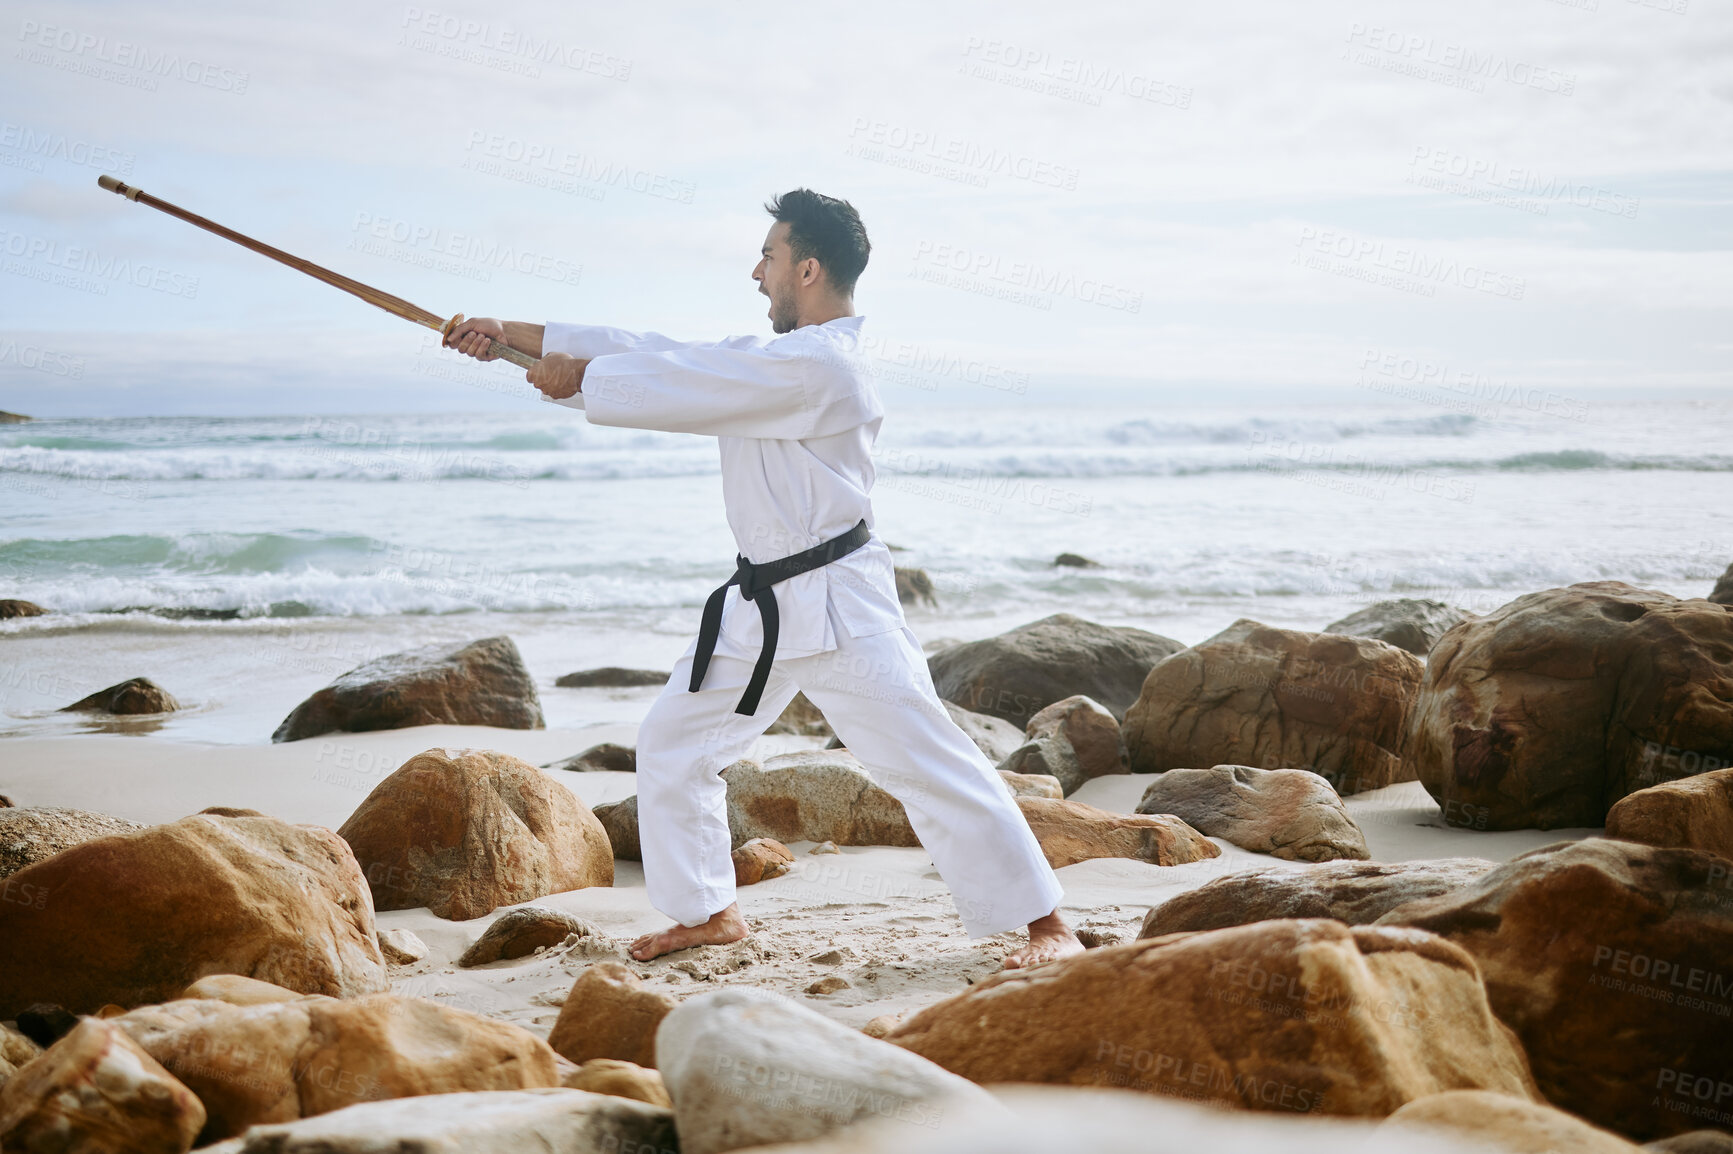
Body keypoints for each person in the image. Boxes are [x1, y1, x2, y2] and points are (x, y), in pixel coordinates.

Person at [445, 189, 1082, 969]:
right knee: (674, 744)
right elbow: (659, 351)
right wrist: (509, 335)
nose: (756, 271)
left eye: (769, 256)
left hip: (839, 603)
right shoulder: (775, 360)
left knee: (925, 758)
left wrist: (578, 376)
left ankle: (1046, 924)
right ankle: (708, 911)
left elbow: (672, 380)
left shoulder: (821, 367)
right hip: (759, 606)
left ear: (806, 268)